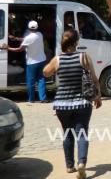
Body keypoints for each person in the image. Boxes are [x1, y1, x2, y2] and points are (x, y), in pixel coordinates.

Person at [43, 29, 102, 179]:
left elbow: (45, 72)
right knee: (81, 133)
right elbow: (94, 79)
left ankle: (70, 166)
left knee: (67, 134)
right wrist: (98, 96)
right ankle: (82, 163)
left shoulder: (58, 59)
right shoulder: (84, 57)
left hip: (62, 104)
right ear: (76, 42)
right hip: (82, 103)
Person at [3, 20, 48, 103]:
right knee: (41, 79)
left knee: (31, 81)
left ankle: (31, 99)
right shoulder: (40, 35)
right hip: (42, 60)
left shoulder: (28, 38)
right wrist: (16, 38)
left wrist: (8, 48)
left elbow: (19, 49)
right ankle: (43, 98)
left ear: (28, 28)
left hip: (32, 63)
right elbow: (28, 39)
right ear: (37, 27)